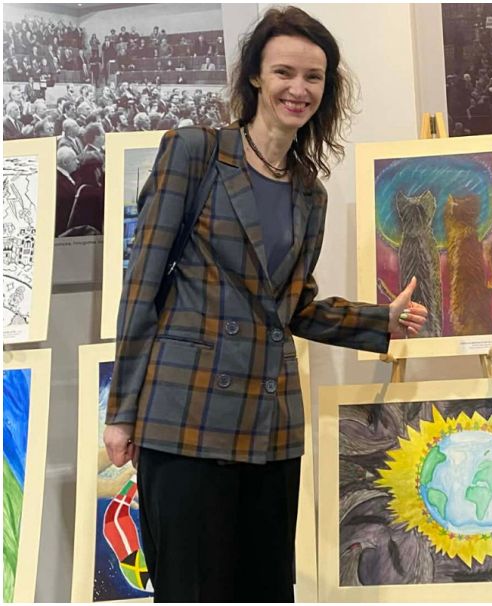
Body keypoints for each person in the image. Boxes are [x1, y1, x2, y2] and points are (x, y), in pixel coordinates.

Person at [102, 6, 428, 602]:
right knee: (193, 589)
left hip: (270, 425)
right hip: (186, 418)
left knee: (266, 589)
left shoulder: (309, 193)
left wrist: (380, 321)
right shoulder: (195, 152)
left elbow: (293, 305)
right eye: (284, 72)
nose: (298, 89)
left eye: (313, 77)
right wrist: (122, 410)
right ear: (255, 75)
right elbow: (142, 284)